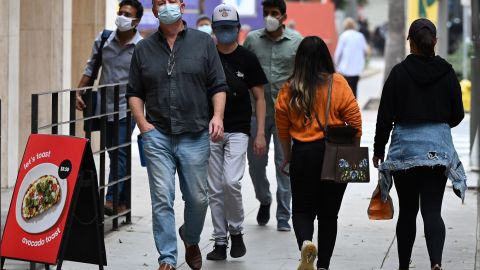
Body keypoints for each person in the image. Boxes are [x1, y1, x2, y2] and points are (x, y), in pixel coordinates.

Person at [126, 0, 227, 269]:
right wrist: (142, 124)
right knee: (162, 198)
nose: (167, 6)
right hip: (157, 134)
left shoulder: (203, 43)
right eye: (161, 2)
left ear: (182, 7)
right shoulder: (143, 48)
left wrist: (217, 116)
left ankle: (191, 239)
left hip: (194, 133)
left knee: (198, 198)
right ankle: (167, 258)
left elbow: (218, 84)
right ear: (155, 10)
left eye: (172, 1)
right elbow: (134, 91)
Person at [372, 18, 466, 270]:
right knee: (432, 210)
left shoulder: (399, 73)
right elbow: (457, 115)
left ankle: (404, 266)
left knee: (408, 211)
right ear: (435, 41)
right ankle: (435, 262)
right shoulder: (447, 72)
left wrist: (378, 149)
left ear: (410, 42)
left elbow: (384, 116)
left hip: (405, 153)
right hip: (437, 153)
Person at [275, 36, 362, 270]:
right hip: (334, 154)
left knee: (302, 210)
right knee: (328, 215)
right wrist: (351, 154)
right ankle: (323, 265)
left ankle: (305, 244)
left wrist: (287, 156)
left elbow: (282, 128)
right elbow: (355, 121)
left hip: (303, 154)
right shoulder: (338, 83)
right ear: (326, 57)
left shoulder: (289, 88)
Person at [206, 3, 268, 261]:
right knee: (214, 188)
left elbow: (260, 98)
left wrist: (261, 132)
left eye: (230, 28)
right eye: (221, 29)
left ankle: (237, 230)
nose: (225, 33)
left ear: (238, 29)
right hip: (210, 131)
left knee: (231, 181)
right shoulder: (207, 56)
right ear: (214, 29)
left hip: (240, 130)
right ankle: (220, 241)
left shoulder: (247, 58)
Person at [75, 0, 144, 215]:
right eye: (120, 12)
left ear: (137, 21)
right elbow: (91, 67)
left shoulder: (141, 47)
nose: (122, 16)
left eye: (127, 14)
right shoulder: (105, 39)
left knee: (120, 152)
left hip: (128, 107)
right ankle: (122, 201)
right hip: (104, 106)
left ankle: (111, 199)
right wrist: (79, 90)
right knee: (111, 152)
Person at [243, 0, 302, 232]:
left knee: (284, 165)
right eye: (266, 13)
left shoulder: (297, 42)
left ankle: (283, 215)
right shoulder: (252, 40)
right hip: (255, 113)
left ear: (283, 16)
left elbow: (303, 76)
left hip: (286, 115)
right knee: (256, 165)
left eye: (274, 13)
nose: (269, 17)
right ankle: (264, 199)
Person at [334, 17, 368, 97]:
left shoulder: (343, 36)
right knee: (354, 88)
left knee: (346, 90)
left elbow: (338, 53)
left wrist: (336, 64)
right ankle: (354, 106)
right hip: (357, 69)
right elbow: (365, 51)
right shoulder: (360, 36)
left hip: (345, 68)